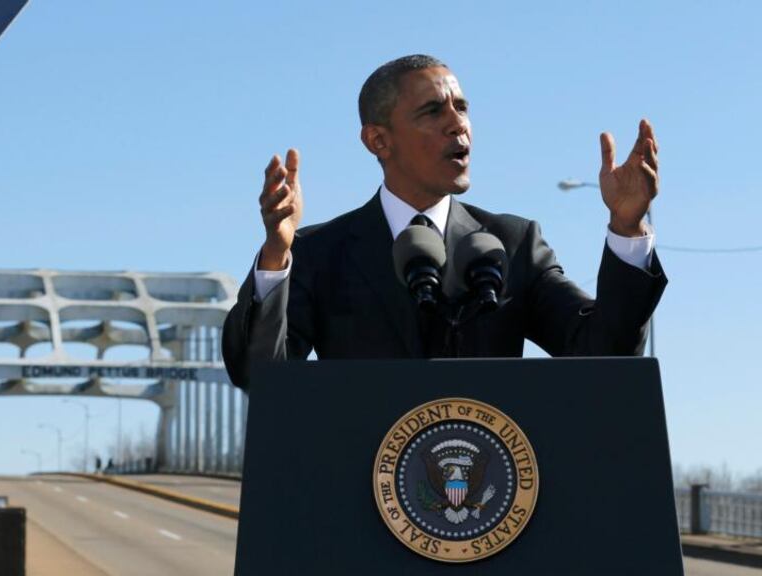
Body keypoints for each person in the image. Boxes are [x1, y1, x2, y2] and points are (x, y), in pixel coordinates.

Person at [221, 54, 667, 390]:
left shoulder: (512, 244)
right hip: (359, 499)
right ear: (379, 140)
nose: (458, 125)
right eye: (432, 111)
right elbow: (262, 377)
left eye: (462, 107)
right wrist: (278, 256)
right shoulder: (319, 254)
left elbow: (601, 354)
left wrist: (627, 230)